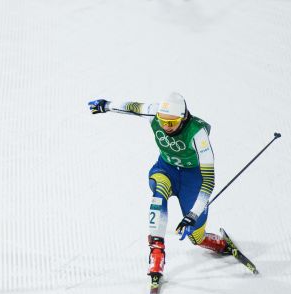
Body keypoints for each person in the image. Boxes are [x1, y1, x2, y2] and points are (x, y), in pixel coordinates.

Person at [87, 92, 237, 283]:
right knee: (159, 191)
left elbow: (208, 180)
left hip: (192, 177)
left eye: (172, 123)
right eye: (163, 122)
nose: (166, 127)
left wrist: (192, 215)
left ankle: (218, 243)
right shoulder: (154, 112)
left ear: (183, 118)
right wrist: (106, 105)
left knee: (195, 236)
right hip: (166, 170)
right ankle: (157, 252)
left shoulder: (198, 134)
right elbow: (132, 107)